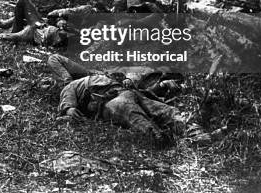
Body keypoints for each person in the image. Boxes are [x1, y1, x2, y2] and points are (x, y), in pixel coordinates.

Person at [47, 54, 188, 145]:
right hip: (110, 101)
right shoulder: (69, 88)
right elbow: (69, 106)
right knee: (137, 118)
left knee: (161, 110)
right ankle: (164, 138)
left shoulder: (88, 76)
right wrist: (69, 108)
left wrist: (67, 77)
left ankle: (191, 131)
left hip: (127, 92)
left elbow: (54, 58)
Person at [0, 0, 84, 47]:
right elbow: (55, 14)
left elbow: (67, 37)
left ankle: (4, 28)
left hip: (41, 32)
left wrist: (72, 29)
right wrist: (60, 20)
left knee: (15, 35)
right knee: (22, 1)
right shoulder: (88, 10)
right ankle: (1, 24)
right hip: (45, 26)